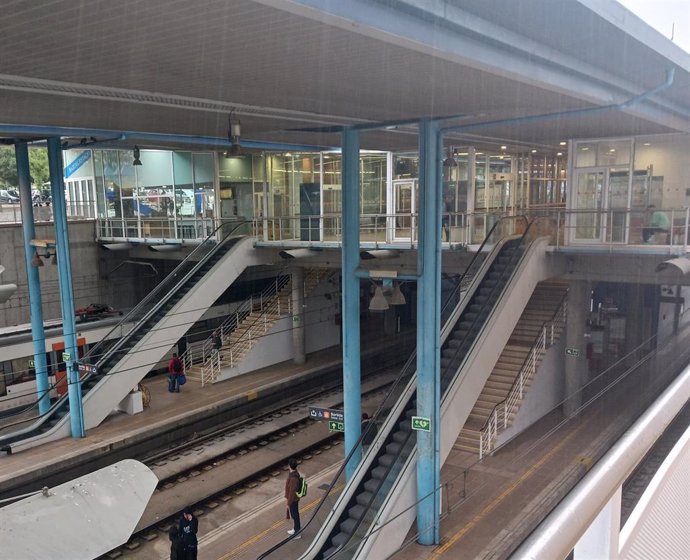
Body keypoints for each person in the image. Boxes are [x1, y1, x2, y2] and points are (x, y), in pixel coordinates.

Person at [285, 457, 302, 538]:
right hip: (294, 499)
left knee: (295, 515)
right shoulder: (294, 474)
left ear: (289, 466)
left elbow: (292, 492)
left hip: (293, 500)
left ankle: (298, 532)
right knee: (295, 515)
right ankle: (295, 529)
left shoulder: (293, 478)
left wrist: (288, 503)